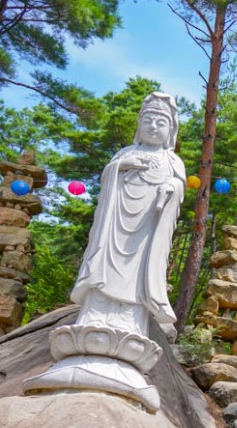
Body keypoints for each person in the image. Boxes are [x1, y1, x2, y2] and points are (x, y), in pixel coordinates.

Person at [71, 92, 186, 339]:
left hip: (146, 234)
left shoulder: (172, 161)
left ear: (171, 130)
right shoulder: (124, 154)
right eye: (148, 121)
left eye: (161, 123)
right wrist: (120, 167)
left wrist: (171, 189)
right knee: (105, 266)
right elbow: (107, 180)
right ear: (139, 124)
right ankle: (95, 314)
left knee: (138, 274)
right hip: (114, 230)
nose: (153, 127)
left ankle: (130, 320)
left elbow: (179, 189)